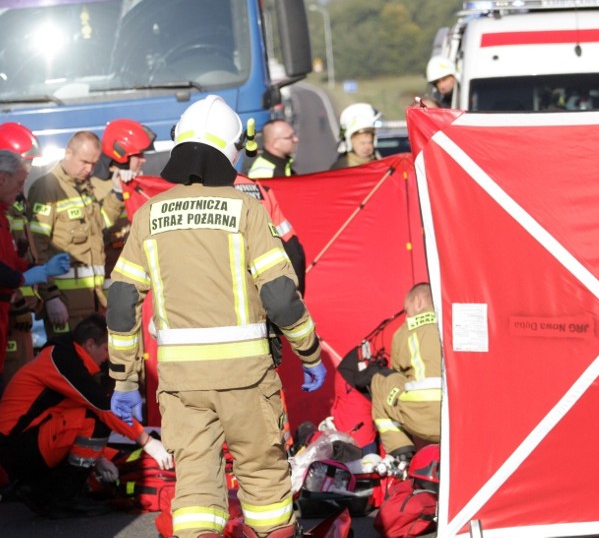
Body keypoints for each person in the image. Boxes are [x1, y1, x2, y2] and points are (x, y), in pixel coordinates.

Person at [107, 95, 326, 538]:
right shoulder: (247, 208)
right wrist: (310, 354)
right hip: (246, 377)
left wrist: (125, 381)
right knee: (264, 484)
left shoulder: (149, 214)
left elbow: (121, 300)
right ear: (231, 151)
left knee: (194, 496)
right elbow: (282, 297)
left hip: (181, 383)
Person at [0, 314, 173, 519]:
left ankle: (48, 491)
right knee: (94, 417)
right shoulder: (63, 361)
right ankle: (66, 497)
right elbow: (103, 407)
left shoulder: (62, 356)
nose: (107, 357)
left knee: (87, 415)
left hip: (21, 444)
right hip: (19, 447)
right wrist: (147, 441)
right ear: (89, 344)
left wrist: (100, 459)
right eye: (106, 349)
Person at [0, 149, 70, 419]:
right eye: (19, 182)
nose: (21, 188)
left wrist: (42, 269)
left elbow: (11, 259)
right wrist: (26, 278)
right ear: (2, 179)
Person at [27, 131, 124, 337]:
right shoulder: (47, 188)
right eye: (84, 162)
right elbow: (37, 248)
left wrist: (116, 194)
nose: (89, 169)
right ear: (68, 153)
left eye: (94, 164)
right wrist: (51, 297)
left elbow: (101, 225)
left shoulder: (84, 187)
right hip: (65, 304)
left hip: (95, 301)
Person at [338, 283, 441, 465]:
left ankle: (400, 453)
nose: (407, 316)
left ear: (418, 302)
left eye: (407, 311)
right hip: (456, 417)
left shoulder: (405, 332)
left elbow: (398, 372)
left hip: (421, 416)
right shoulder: (453, 325)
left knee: (381, 379)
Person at [0, 123, 44, 383]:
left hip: (23, 313)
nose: (29, 170)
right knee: (11, 385)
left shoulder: (15, 200)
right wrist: (17, 302)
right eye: (25, 163)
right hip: (8, 315)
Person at [91, 118, 156, 282]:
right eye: (138, 155)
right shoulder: (94, 188)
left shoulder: (139, 184)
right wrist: (118, 193)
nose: (144, 160)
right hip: (109, 277)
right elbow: (95, 230)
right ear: (121, 155)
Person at [330, 102, 381, 170]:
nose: (367, 147)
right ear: (351, 143)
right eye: (362, 143)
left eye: (370, 142)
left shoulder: (380, 166)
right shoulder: (340, 169)